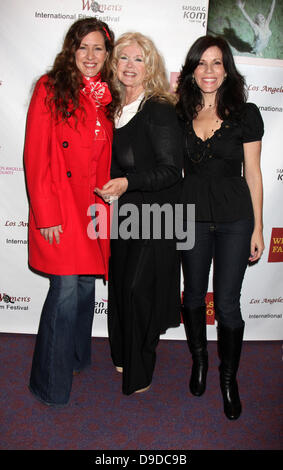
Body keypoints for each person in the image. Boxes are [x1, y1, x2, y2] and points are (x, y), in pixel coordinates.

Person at [24, 18, 118, 406]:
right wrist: (46, 214)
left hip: (92, 206)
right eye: (83, 48)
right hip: (60, 203)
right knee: (64, 290)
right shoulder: (50, 87)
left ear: (106, 53)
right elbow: (35, 154)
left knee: (84, 287)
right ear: (71, 50)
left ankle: (78, 357)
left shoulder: (105, 95)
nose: (91, 56)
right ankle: (48, 383)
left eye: (98, 48)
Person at [176, 35, 264, 420]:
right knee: (193, 296)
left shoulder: (246, 113)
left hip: (234, 220)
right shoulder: (179, 114)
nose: (208, 71)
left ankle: (229, 379)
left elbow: (254, 174)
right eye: (201, 63)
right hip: (190, 217)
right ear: (192, 70)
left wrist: (259, 228)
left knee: (227, 304)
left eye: (216, 63)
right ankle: (200, 361)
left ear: (226, 68)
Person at [96, 32, 183, 395]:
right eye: (123, 58)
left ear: (150, 67)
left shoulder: (158, 108)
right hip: (120, 213)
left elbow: (170, 170)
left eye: (138, 59)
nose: (129, 66)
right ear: (114, 65)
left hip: (156, 214)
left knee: (137, 290)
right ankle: (122, 353)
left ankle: (141, 367)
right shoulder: (111, 107)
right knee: (118, 285)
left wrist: (127, 183)